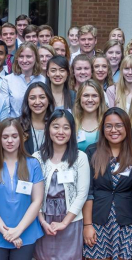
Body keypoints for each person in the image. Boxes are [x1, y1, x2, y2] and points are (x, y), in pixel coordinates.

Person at [0, 118, 44, 259]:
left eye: (14, 136)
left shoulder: (33, 164)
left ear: (21, 138)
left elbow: (37, 201)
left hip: (25, 233)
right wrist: (8, 233)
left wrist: (18, 231)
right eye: (5, 137)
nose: (10, 141)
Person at [33, 109, 90, 260]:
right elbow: (34, 195)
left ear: (72, 131)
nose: (60, 131)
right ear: (48, 128)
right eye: (56, 126)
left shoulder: (80, 158)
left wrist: (64, 223)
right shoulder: (36, 158)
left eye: (66, 127)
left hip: (71, 220)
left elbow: (82, 193)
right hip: (43, 220)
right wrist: (42, 221)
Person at [83, 107, 132, 260]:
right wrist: (87, 225)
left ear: (126, 127)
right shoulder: (92, 152)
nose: (113, 130)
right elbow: (88, 192)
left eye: (119, 125)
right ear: (102, 128)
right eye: (108, 126)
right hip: (98, 221)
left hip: (127, 223)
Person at [0, 43, 45, 117]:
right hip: (15, 125)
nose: (24, 60)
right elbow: (5, 112)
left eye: (28, 56)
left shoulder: (44, 81)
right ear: (17, 58)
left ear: (36, 58)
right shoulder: (7, 80)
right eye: (21, 56)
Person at [18, 82, 55, 155]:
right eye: (32, 98)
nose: (37, 102)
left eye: (42, 97)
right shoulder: (18, 124)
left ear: (49, 100)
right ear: (27, 101)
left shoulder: (56, 124)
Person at [73, 79, 107, 152]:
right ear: (79, 98)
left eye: (94, 96)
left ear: (100, 99)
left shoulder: (107, 122)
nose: (90, 100)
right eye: (86, 95)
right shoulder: (71, 122)